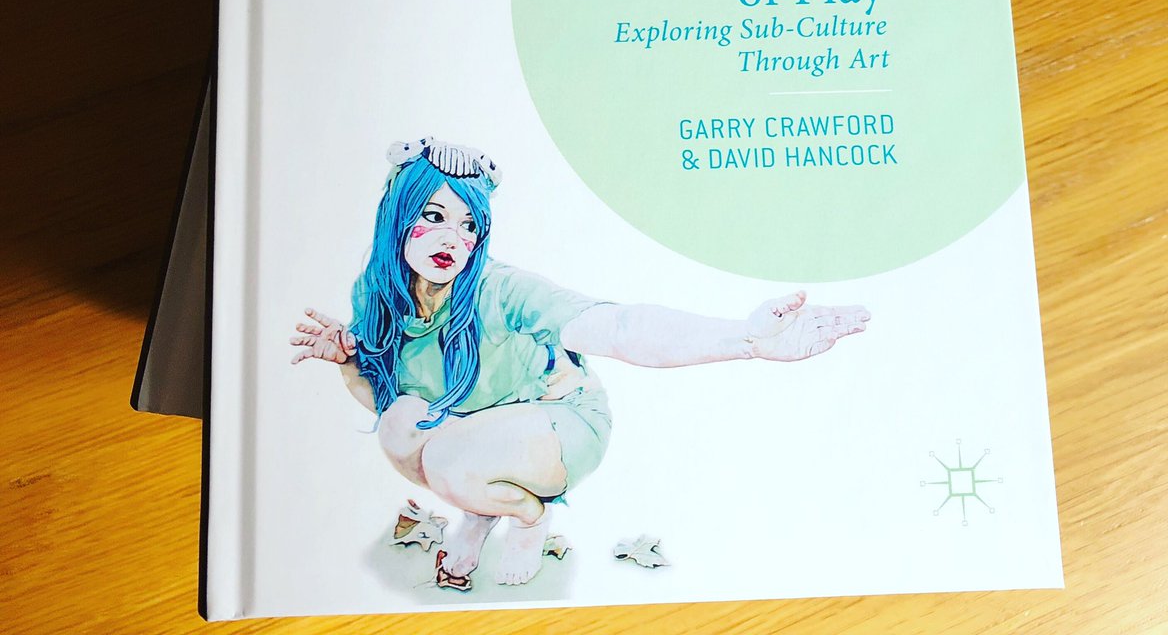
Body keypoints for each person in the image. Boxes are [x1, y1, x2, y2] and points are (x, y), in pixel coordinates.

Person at [291, 137, 870, 591]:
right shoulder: (377, 297)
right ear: (398, 217)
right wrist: (346, 359)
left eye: (469, 225)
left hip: (561, 422)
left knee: (445, 458)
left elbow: (617, 327)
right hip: (478, 432)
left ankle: (527, 516)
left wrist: (744, 339)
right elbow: (387, 398)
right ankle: (481, 508)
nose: (453, 238)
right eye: (434, 215)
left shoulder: (501, 289)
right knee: (399, 425)